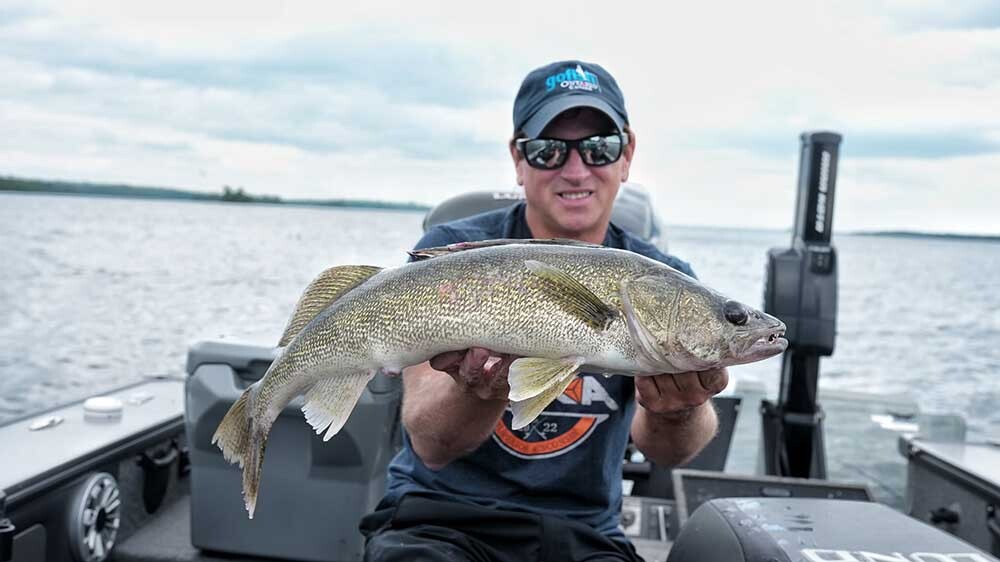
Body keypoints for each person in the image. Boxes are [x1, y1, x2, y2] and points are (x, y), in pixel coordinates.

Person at [359, 60, 728, 562]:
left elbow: (667, 451)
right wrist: (479, 391)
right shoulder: (452, 251)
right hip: (441, 518)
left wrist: (681, 408)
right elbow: (432, 444)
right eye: (549, 150)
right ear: (518, 159)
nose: (576, 171)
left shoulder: (662, 277)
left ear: (627, 155)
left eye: (600, 147)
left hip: (584, 531)